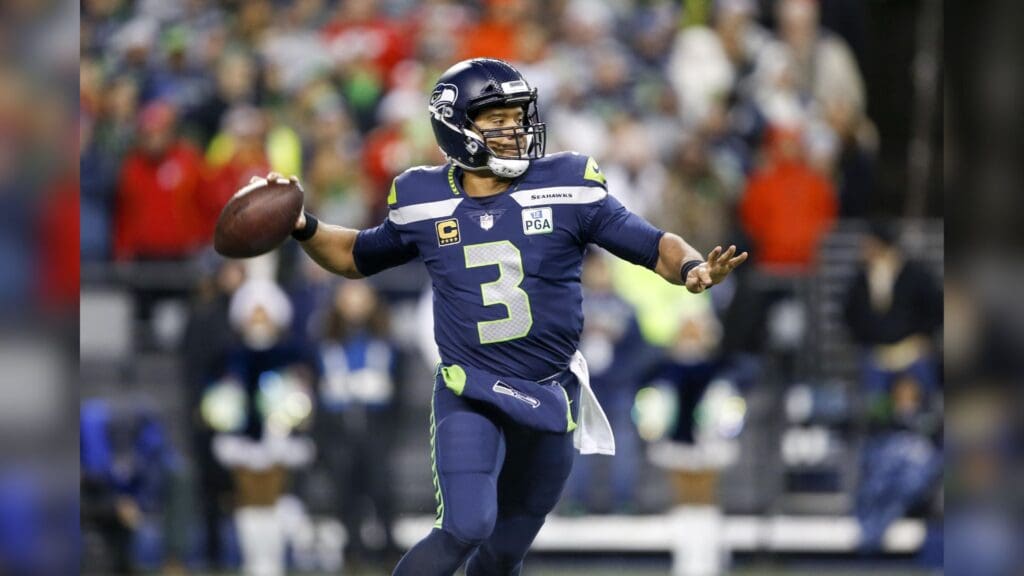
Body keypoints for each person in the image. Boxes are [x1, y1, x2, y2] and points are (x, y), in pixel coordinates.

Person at [277, 58, 747, 575]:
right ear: (456, 127)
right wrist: (302, 225)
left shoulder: (569, 184)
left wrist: (692, 267)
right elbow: (353, 255)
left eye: (516, 116)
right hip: (471, 388)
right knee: (465, 527)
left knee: (502, 555)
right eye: (496, 119)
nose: (513, 129)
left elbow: (652, 244)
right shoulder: (421, 197)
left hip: (550, 392)